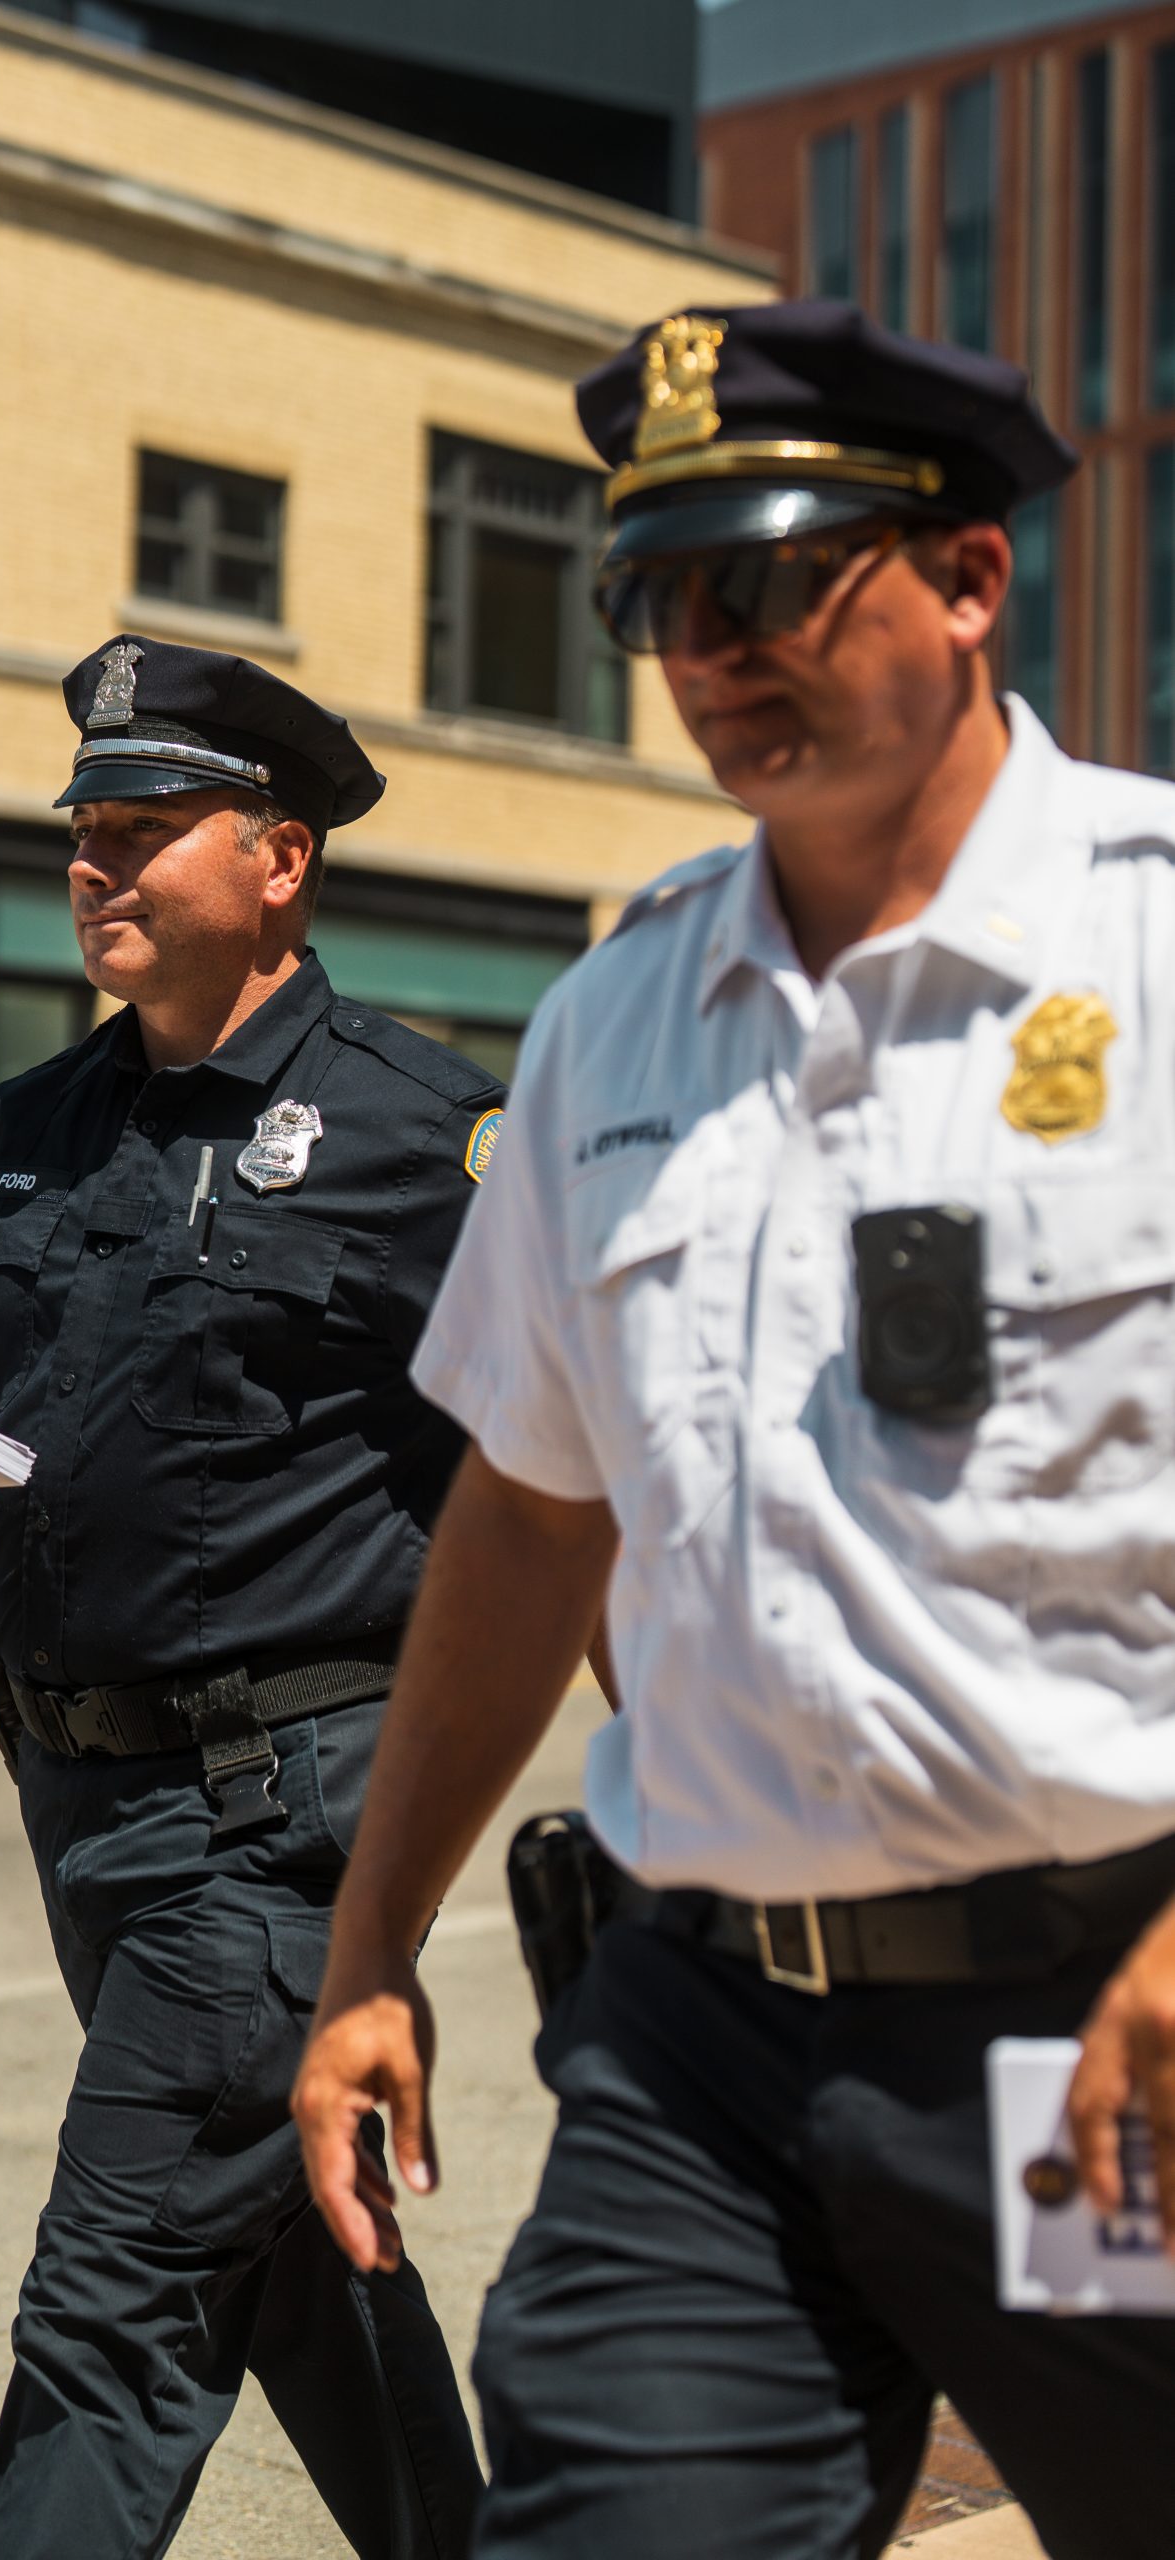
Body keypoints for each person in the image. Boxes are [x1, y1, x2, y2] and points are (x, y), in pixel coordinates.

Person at [293, 299, 1175, 2560]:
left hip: (1101, 2026)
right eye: (652, 599)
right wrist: (368, 1939)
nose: (704, 649)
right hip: (701, 2045)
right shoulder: (614, 1013)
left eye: (766, 576)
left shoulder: (1156, 957)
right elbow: (519, 1509)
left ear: (966, 579)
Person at [0, 633, 495, 2559]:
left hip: (275, 1832)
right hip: (79, 1805)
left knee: (111, 2324)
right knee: (289, 2262)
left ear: (279, 861)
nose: (96, 866)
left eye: (147, 830)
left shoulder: (419, 1137)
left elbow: (549, 1495)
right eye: (83, 835)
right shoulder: (32, 1127)